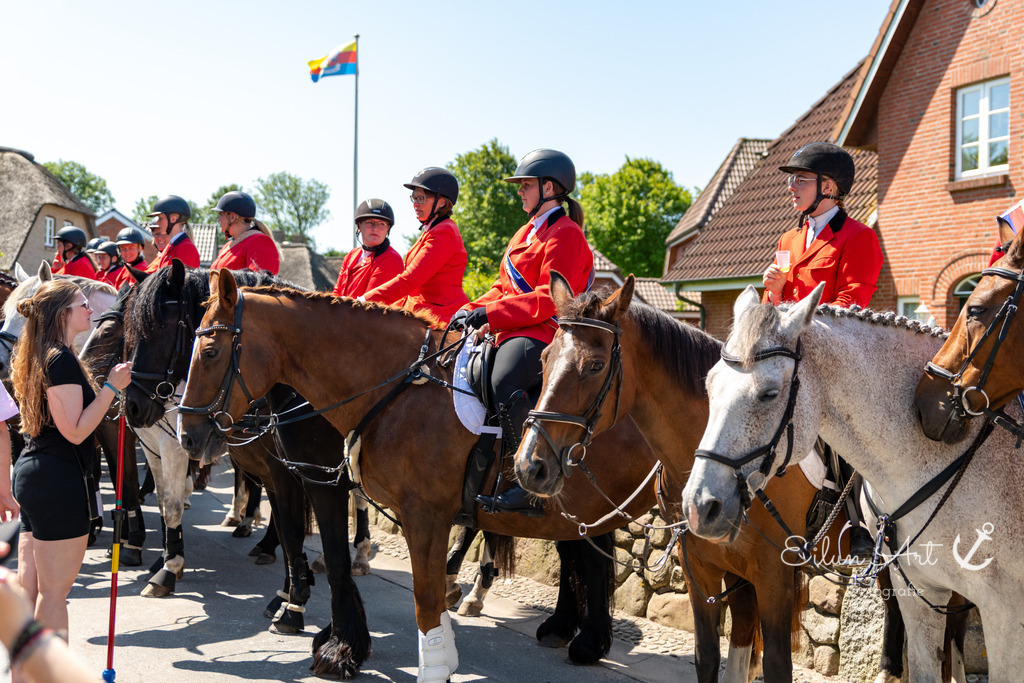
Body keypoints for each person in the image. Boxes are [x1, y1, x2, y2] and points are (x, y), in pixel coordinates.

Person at [452, 149, 594, 516]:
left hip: (548, 333)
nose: (519, 192)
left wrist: (491, 315)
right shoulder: (525, 233)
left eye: (525, 185)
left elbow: (549, 299)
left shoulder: (567, 234)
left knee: (504, 379)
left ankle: (528, 486)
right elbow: (503, 288)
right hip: (516, 328)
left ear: (549, 188)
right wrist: (470, 309)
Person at [761, 142, 883, 560]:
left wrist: (792, 311)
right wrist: (772, 295)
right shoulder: (788, 238)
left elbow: (850, 309)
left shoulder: (859, 238)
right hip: (786, 355)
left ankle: (859, 522)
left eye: (801, 179)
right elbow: (770, 310)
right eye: (791, 179)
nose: (791, 187)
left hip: (832, 357)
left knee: (841, 432)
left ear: (828, 187)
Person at [9, 280, 132, 638]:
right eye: (83, 304)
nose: (90, 309)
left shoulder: (41, 353)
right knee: (53, 593)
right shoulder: (59, 360)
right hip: (57, 480)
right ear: (63, 314)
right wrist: (111, 387)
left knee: (31, 588)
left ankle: (23, 674)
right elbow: (75, 431)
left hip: (35, 474)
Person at [362, 168, 469, 325]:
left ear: (441, 202)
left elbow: (409, 280)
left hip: (439, 316)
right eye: (414, 198)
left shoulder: (445, 231)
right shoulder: (430, 231)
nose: (416, 204)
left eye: (422, 198)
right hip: (416, 311)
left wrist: (364, 301)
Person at [332, 199, 404, 297]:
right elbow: (337, 292)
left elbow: (371, 304)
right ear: (359, 226)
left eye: (381, 224)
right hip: (345, 310)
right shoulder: (351, 255)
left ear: (388, 230)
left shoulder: (391, 258)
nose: (375, 228)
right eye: (370, 222)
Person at [209, 191, 281, 274]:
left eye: (221, 214)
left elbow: (260, 284)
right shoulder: (226, 246)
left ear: (232, 217)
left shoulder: (259, 242)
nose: (218, 219)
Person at [144, 195, 201, 272]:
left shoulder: (186, 248)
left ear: (173, 219)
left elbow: (182, 282)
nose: (157, 222)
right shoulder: (170, 246)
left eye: (160, 218)